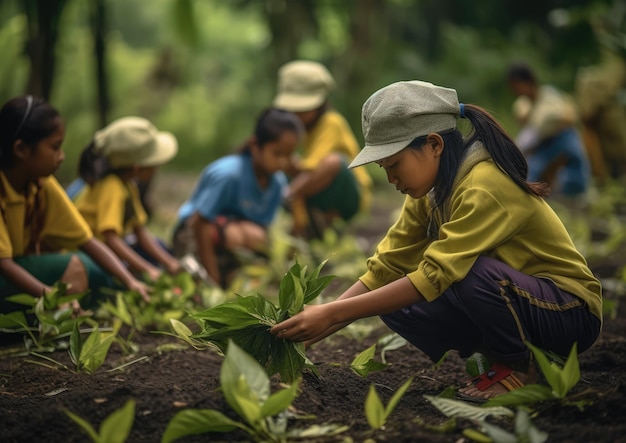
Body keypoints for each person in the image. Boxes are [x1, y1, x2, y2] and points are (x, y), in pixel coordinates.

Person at [270, 80, 602, 402]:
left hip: (569, 311)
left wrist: (331, 313)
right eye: (384, 168)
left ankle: (517, 366)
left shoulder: (484, 185)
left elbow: (436, 274)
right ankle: (504, 356)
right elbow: (384, 267)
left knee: (468, 272)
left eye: (395, 164)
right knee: (395, 299)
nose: (391, 179)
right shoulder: (428, 192)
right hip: (520, 301)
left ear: (434, 145)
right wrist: (319, 326)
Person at [0, 95, 150, 315]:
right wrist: (50, 295)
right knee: (76, 265)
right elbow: (3, 263)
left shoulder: (41, 185)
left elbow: (86, 240)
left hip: (17, 266)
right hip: (5, 271)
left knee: (96, 272)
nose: (61, 156)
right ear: (21, 149)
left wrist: (130, 282)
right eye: (55, 147)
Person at [172, 108, 303, 288]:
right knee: (243, 235)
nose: (283, 162)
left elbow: (262, 231)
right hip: (193, 235)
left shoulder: (277, 183)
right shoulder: (229, 175)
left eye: (288, 156)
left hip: (234, 239)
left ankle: (232, 273)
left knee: (257, 237)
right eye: (277, 154)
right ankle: (207, 274)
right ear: (255, 146)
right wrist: (213, 278)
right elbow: (199, 223)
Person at [74, 116, 181, 283]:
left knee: (158, 245)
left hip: (106, 251)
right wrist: (149, 270)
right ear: (137, 168)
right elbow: (111, 239)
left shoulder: (128, 185)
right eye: (155, 163)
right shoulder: (111, 188)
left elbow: (140, 230)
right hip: (86, 256)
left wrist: (170, 263)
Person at [273, 60, 372, 238]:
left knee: (332, 162)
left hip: (349, 193)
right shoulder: (303, 129)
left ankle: (288, 199)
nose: (297, 115)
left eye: (302, 110)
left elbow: (313, 166)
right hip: (318, 191)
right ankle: (314, 223)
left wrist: (292, 191)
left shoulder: (331, 122)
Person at [507, 63, 591, 198]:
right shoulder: (524, 105)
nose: (514, 90)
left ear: (528, 82)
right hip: (543, 143)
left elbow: (567, 117)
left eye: (516, 85)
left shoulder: (550, 99)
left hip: (559, 140)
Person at [575, 13, 626, 181]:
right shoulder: (592, 59)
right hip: (596, 121)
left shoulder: (615, 57)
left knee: (619, 158)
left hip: (611, 117)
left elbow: (611, 84)